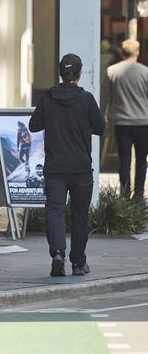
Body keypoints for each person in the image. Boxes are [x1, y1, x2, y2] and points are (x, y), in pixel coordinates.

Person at [29, 53, 105, 277]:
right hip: (81, 168)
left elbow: (34, 125)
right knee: (80, 214)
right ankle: (79, 263)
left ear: (61, 73)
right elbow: (100, 128)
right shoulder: (86, 99)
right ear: (79, 73)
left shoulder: (48, 97)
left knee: (55, 211)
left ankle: (58, 254)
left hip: (55, 168)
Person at [101, 39, 148, 198]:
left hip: (122, 123)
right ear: (137, 52)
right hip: (143, 123)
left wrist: (103, 119)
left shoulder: (111, 71)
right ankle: (139, 196)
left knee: (124, 161)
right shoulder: (145, 72)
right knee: (142, 160)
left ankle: (125, 195)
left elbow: (104, 98)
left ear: (122, 52)